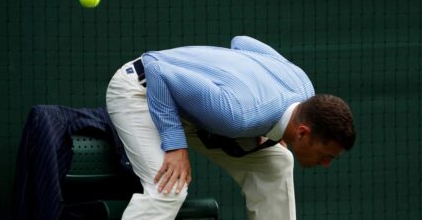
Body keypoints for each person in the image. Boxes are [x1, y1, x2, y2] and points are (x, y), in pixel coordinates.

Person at [106, 35, 356, 220]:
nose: (326, 164)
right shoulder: (237, 115)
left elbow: (242, 42)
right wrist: (174, 145)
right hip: (142, 94)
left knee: (276, 163)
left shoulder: (304, 90)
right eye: (326, 156)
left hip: (194, 110)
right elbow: (155, 67)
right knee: (169, 191)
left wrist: (265, 119)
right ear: (302, 132)